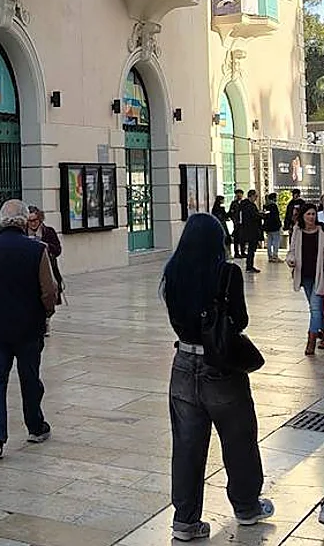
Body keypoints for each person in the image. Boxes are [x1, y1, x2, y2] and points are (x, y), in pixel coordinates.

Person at [161, 213, 273, 541]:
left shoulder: (173, 271)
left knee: (186, 447)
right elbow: (239, 320)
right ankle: (247, 507)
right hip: (221, 369)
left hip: (183, 364)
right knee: (239, 440)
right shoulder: (227, 273)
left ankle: (185, 521)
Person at [0, 199, 59, 461]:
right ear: (22, 221)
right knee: (29, 377)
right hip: (28, 327)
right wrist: (46, 313)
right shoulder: (36, 250)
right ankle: (35, 426)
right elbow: (48, 290)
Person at [286, 205, 324, 356]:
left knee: (315, 308)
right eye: (308, 214)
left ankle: (311, 342)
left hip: (320, 275)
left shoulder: (322, 231)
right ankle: (320, 331)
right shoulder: (298, 230)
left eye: (313, 214)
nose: (311, 217)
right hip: (304, 275)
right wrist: (291, 260)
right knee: (314, 307)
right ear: (303, 216)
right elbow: (292, 251)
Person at [26, 206, 64, 302]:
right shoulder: (23, 234)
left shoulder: (49, 232)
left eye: (35, 220)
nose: (33, 223)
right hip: (30, 271)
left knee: (48, 297)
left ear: (40, 219)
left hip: (47, 269)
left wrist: (46, 246)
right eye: (30, 221)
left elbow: (58, 250)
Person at [237, 190, 263, 274]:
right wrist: (261, 215)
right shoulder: (250, 206)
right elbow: (254, 216)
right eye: (255, 196)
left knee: (250, 250)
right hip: (251, 230)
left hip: (245, 230)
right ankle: (249, 266)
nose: (256, 198)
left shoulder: (243, 205)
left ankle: (249, 266)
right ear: (251, 196)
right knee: (251, 250)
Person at [262, 194, 282, 263]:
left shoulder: (266, 206)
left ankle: (270, 256)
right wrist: (279, 224)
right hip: (275, 227)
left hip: (268, 227)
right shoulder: (274, 206)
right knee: (276, 241)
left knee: (269, 241)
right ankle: (275, 256)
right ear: (274, 198)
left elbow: (265, 216)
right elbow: (275, 217)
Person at [228, 190, 246, 259]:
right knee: (236, 238)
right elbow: (231, 213)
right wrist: (234, 221)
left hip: (243, 223)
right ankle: (236, 253)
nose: (239, 195)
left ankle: (243, 251)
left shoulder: (244, 203)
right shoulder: (234, 203)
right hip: (237, 223)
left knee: (243, 238)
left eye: (240, 194)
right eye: (238, 194)